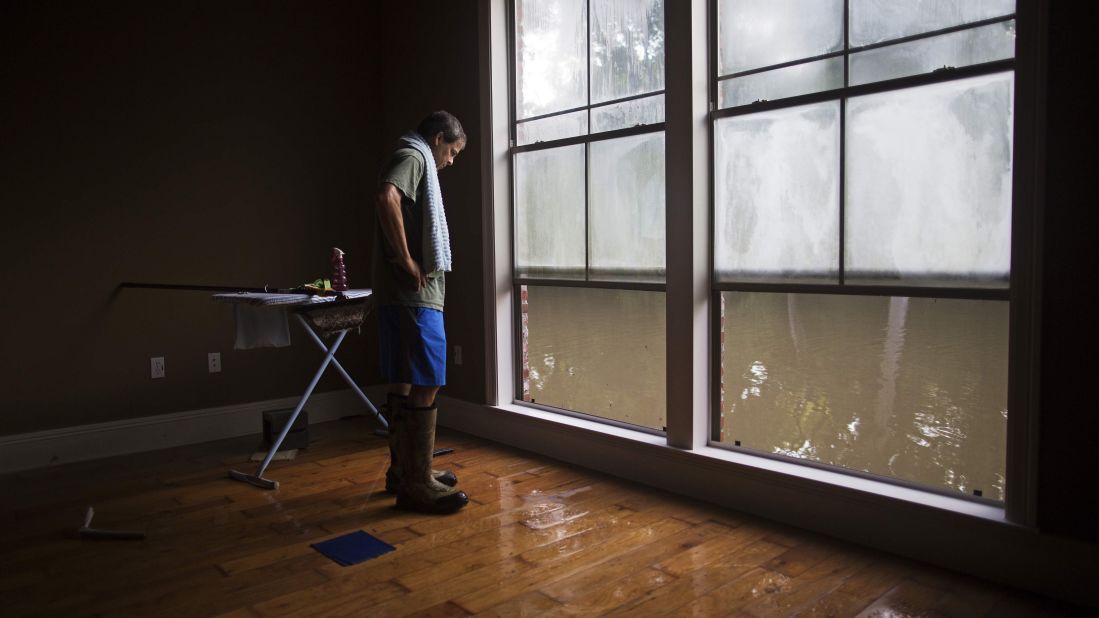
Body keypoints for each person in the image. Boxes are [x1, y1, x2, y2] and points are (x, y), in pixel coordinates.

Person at [371, 110, 468, 514]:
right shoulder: (415, 156)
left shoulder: (411, 154)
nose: (450, 162)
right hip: (414, 295)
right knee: (429, 378)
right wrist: (407, 258)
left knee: (403, 381)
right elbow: (386, 196)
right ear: (440, 139)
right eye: (453, 152)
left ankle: (404, 472)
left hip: (397, 296)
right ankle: (417, 483)